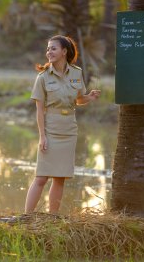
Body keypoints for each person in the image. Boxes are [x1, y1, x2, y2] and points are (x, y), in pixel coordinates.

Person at [25, 35, 101, 214]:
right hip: (50, 129)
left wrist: (89, 97)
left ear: (64, 51)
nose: (48, 52)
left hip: (69, 130)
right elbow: (39, 110)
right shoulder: (42, 77)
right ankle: (26, 216)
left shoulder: (76, 72)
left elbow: (78, 100)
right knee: (41, 177)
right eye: (48, 48)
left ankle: (53, 218)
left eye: (53, 48)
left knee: (60, 178)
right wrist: (42, 136)